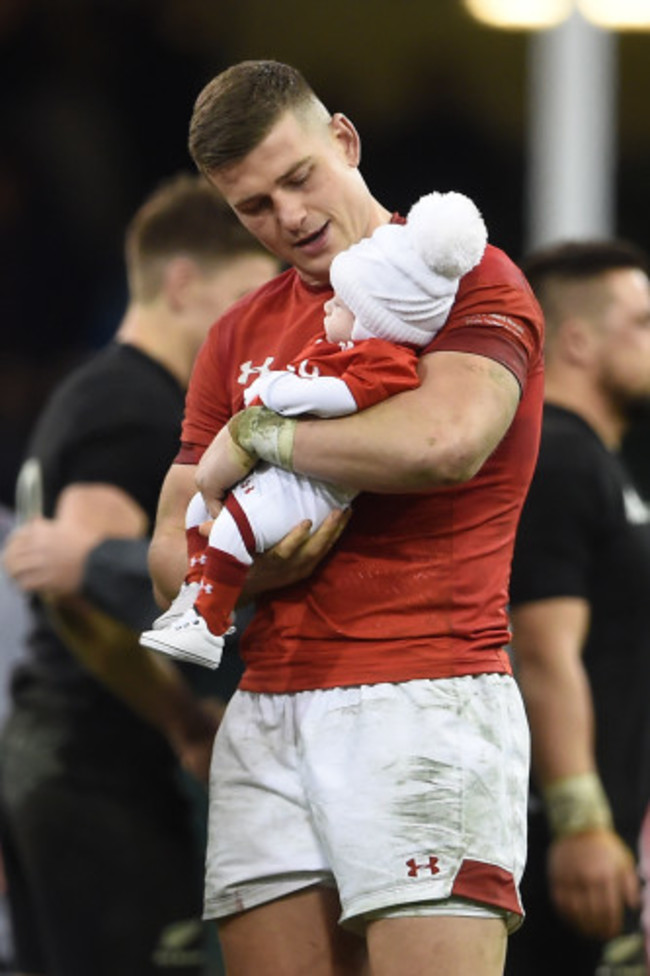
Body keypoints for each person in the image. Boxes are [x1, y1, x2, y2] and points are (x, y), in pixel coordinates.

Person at [148, 60, 545, 976]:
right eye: (252, 206)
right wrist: (264, 564)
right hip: (267, 710)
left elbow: (445, 440)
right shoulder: (239, 331)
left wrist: (263, 438)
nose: (286, 216)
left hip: (425, 697)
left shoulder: (463, 276)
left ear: (345, 142)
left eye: (299, 178)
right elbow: (170, 562)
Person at [0, 172, 279, 976]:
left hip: (66, 756)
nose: (256, 322)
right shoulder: (131, 404)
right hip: (95, 762)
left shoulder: (101, 393)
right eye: (245, 294)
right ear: (183, 283)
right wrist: (182, 721)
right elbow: (83, 595)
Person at [141, 189, 488, 667]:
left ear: (371, 319)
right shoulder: (281, 340)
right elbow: (163, 559)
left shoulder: (383, 361)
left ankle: (209, 623)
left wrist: (258, 418)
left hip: (309, 492)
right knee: (203, 508)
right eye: (255, 204)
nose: (327, 308)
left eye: (342, 304)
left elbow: (348, 401)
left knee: (232, 529)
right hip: (279, 497)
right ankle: (195, 602)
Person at [504, 240, 650, 976]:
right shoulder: (557, 454)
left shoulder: (596, 459)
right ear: (580, 341)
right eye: (642, 323)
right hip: (555, 844)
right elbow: (541, 648)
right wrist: (581, 822)